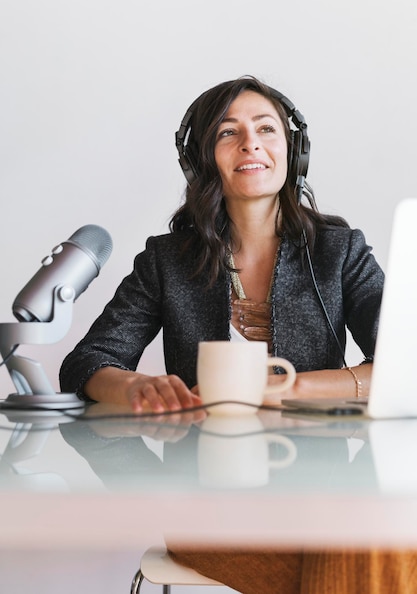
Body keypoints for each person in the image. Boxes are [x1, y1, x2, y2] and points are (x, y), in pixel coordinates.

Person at [60, 76, 413, 594]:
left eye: (266, 128)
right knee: (372, 546)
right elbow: (87, 361)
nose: (251, 143)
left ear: (292, 150)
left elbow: (407, 363)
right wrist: (133, 388)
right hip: (205, 505)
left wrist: (292, 388)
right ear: (203, 160)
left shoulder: (339, 251)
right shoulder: (167, 261)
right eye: (229, 133)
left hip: (325, 485)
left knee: (366, 539)